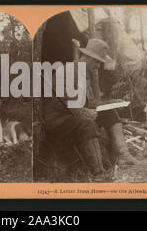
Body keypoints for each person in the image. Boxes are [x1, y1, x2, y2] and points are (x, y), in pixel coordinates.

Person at [43, 39, 140, 180]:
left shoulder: (84, 73)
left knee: (109, 113)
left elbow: (90, 102)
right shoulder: (66, 71)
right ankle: (99, 173)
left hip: (74, 116)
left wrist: (112, 102)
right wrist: (85, 112)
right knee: (87, 124)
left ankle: (123, 155)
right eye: (97, 61)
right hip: (58, 119)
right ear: (86, 57)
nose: (99, 65)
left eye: (100, 62)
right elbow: (68, 102)